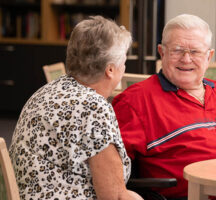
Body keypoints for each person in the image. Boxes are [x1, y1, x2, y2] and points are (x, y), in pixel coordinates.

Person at [112, 14, 216, 200]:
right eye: (177, 50)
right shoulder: (133, 102)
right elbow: (110, 177)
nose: (186, 59)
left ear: (209, 56)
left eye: (195, 52)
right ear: (162, 52)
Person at [9, 16, 142, 200]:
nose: (124, 67)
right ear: (110, 70)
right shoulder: (93, 107)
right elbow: (114, 196)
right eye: (124, 61)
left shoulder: (46, 91)